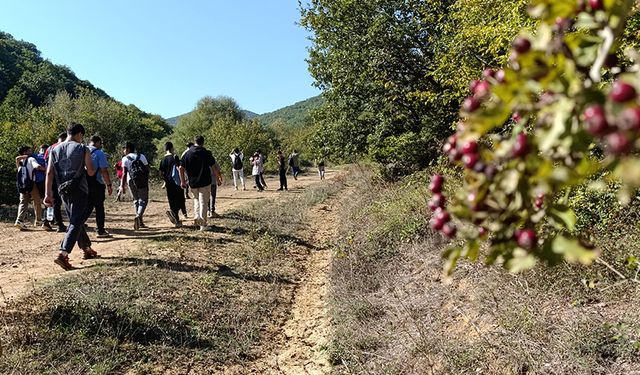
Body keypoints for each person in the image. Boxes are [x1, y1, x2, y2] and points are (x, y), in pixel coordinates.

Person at [44, 123, 98, 270]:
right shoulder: (82, 148)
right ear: (79, 134)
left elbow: (49, 173)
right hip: (79, 189)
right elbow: (91, 171)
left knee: (76, 220)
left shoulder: (53, 149)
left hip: (63, 190)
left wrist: (47, 194)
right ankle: (63, 254)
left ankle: (86, 249)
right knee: (76, 221)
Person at [180, 135, 220, 231]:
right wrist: (218, 179)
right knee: (204, 202)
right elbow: (214, 167)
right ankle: (203, 225)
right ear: (203, 142)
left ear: (194, 141)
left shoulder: (187, 154)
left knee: (196, 200)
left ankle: (197, 216)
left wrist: (182, 181)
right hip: (205, 181)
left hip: (192, 182)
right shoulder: (206, 153)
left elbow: (181, 168)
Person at [119, 142, 150, 231]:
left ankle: (140, 221)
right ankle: (138, 216)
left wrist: (122, 185)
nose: (123, 150)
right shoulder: (142, 156)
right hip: (142, 181)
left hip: (131, 181)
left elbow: (124, 173)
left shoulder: (125, 159)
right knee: (143, 200)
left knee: (136, 200)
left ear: (128, 149)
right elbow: (147, 169)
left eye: (124, 148)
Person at [86, 135, 113, 237]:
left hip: (83, 183)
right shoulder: (99, 153)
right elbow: (104, 171)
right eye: (100, 143)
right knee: (99, 207)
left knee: (87, 206)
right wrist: (109, 185)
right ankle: (100, 230)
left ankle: (76, 225)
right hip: (96, 183)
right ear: (97, 142)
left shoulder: (82, 150)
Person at [14, 146, 45, 230]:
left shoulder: (19, 161)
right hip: (31, 183)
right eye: (29, 150)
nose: (31, 151)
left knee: (23, 202)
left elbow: (17, 159)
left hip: (22, 184)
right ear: (25, 152)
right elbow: (37, 167)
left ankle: (19, 220)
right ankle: (38, 220)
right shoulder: (31, 159)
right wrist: (46, 170)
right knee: (37, 201)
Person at [45, 132, 68, 232]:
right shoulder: (63, 147)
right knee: (62, 201)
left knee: (52, 201)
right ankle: (61, 223)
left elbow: (45, 161)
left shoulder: (49, 148)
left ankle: (48, 221)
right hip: (60, 177)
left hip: (50, 177)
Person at [159, 141, 185, 227]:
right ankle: (176, 217)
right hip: (177, 182)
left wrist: (165, 181)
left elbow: (161, 173)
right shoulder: (175, 157)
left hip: (168, 183)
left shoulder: (162, 160)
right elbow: (179, 168)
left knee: (172, 199)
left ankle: (175, 217)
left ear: (165, 149)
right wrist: (183, 181)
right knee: (180, 199)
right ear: (172, 148)